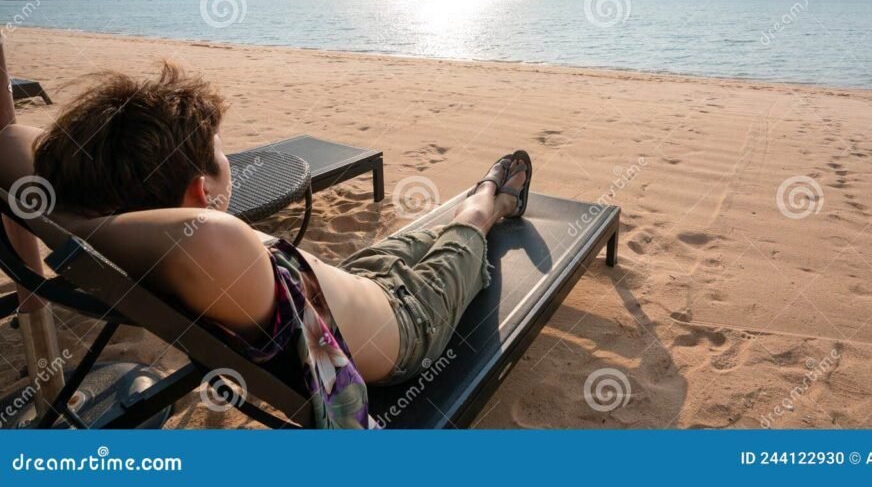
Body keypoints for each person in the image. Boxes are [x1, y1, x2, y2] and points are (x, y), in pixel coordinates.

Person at [0, 50, 532, 429]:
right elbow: (211, 233)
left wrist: (67, 219)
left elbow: (7, 142)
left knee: (424, 240)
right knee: (467, 231)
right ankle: (493, 196)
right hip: (410, 327)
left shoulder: (160, 245)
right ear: (200, 192)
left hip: (357, 281)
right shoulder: (212, 248)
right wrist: (74, 230)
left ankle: (469, 209)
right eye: (222, 152)